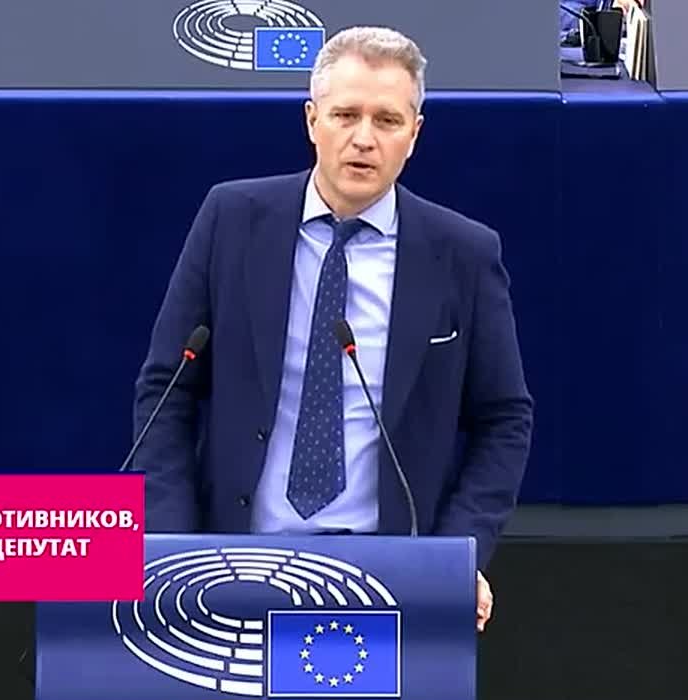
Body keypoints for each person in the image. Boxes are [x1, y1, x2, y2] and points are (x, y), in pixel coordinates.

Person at [131, 26, 534, 633]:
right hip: (230, 561)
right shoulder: (231, 220)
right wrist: (171, 548)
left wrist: (460, 553)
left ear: (415, 134)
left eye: (387, 120)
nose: (363, 138)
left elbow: (504, 419)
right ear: (312, 120)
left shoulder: (463, 254)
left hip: (388, 575)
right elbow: (167, 389)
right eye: (346, 115)